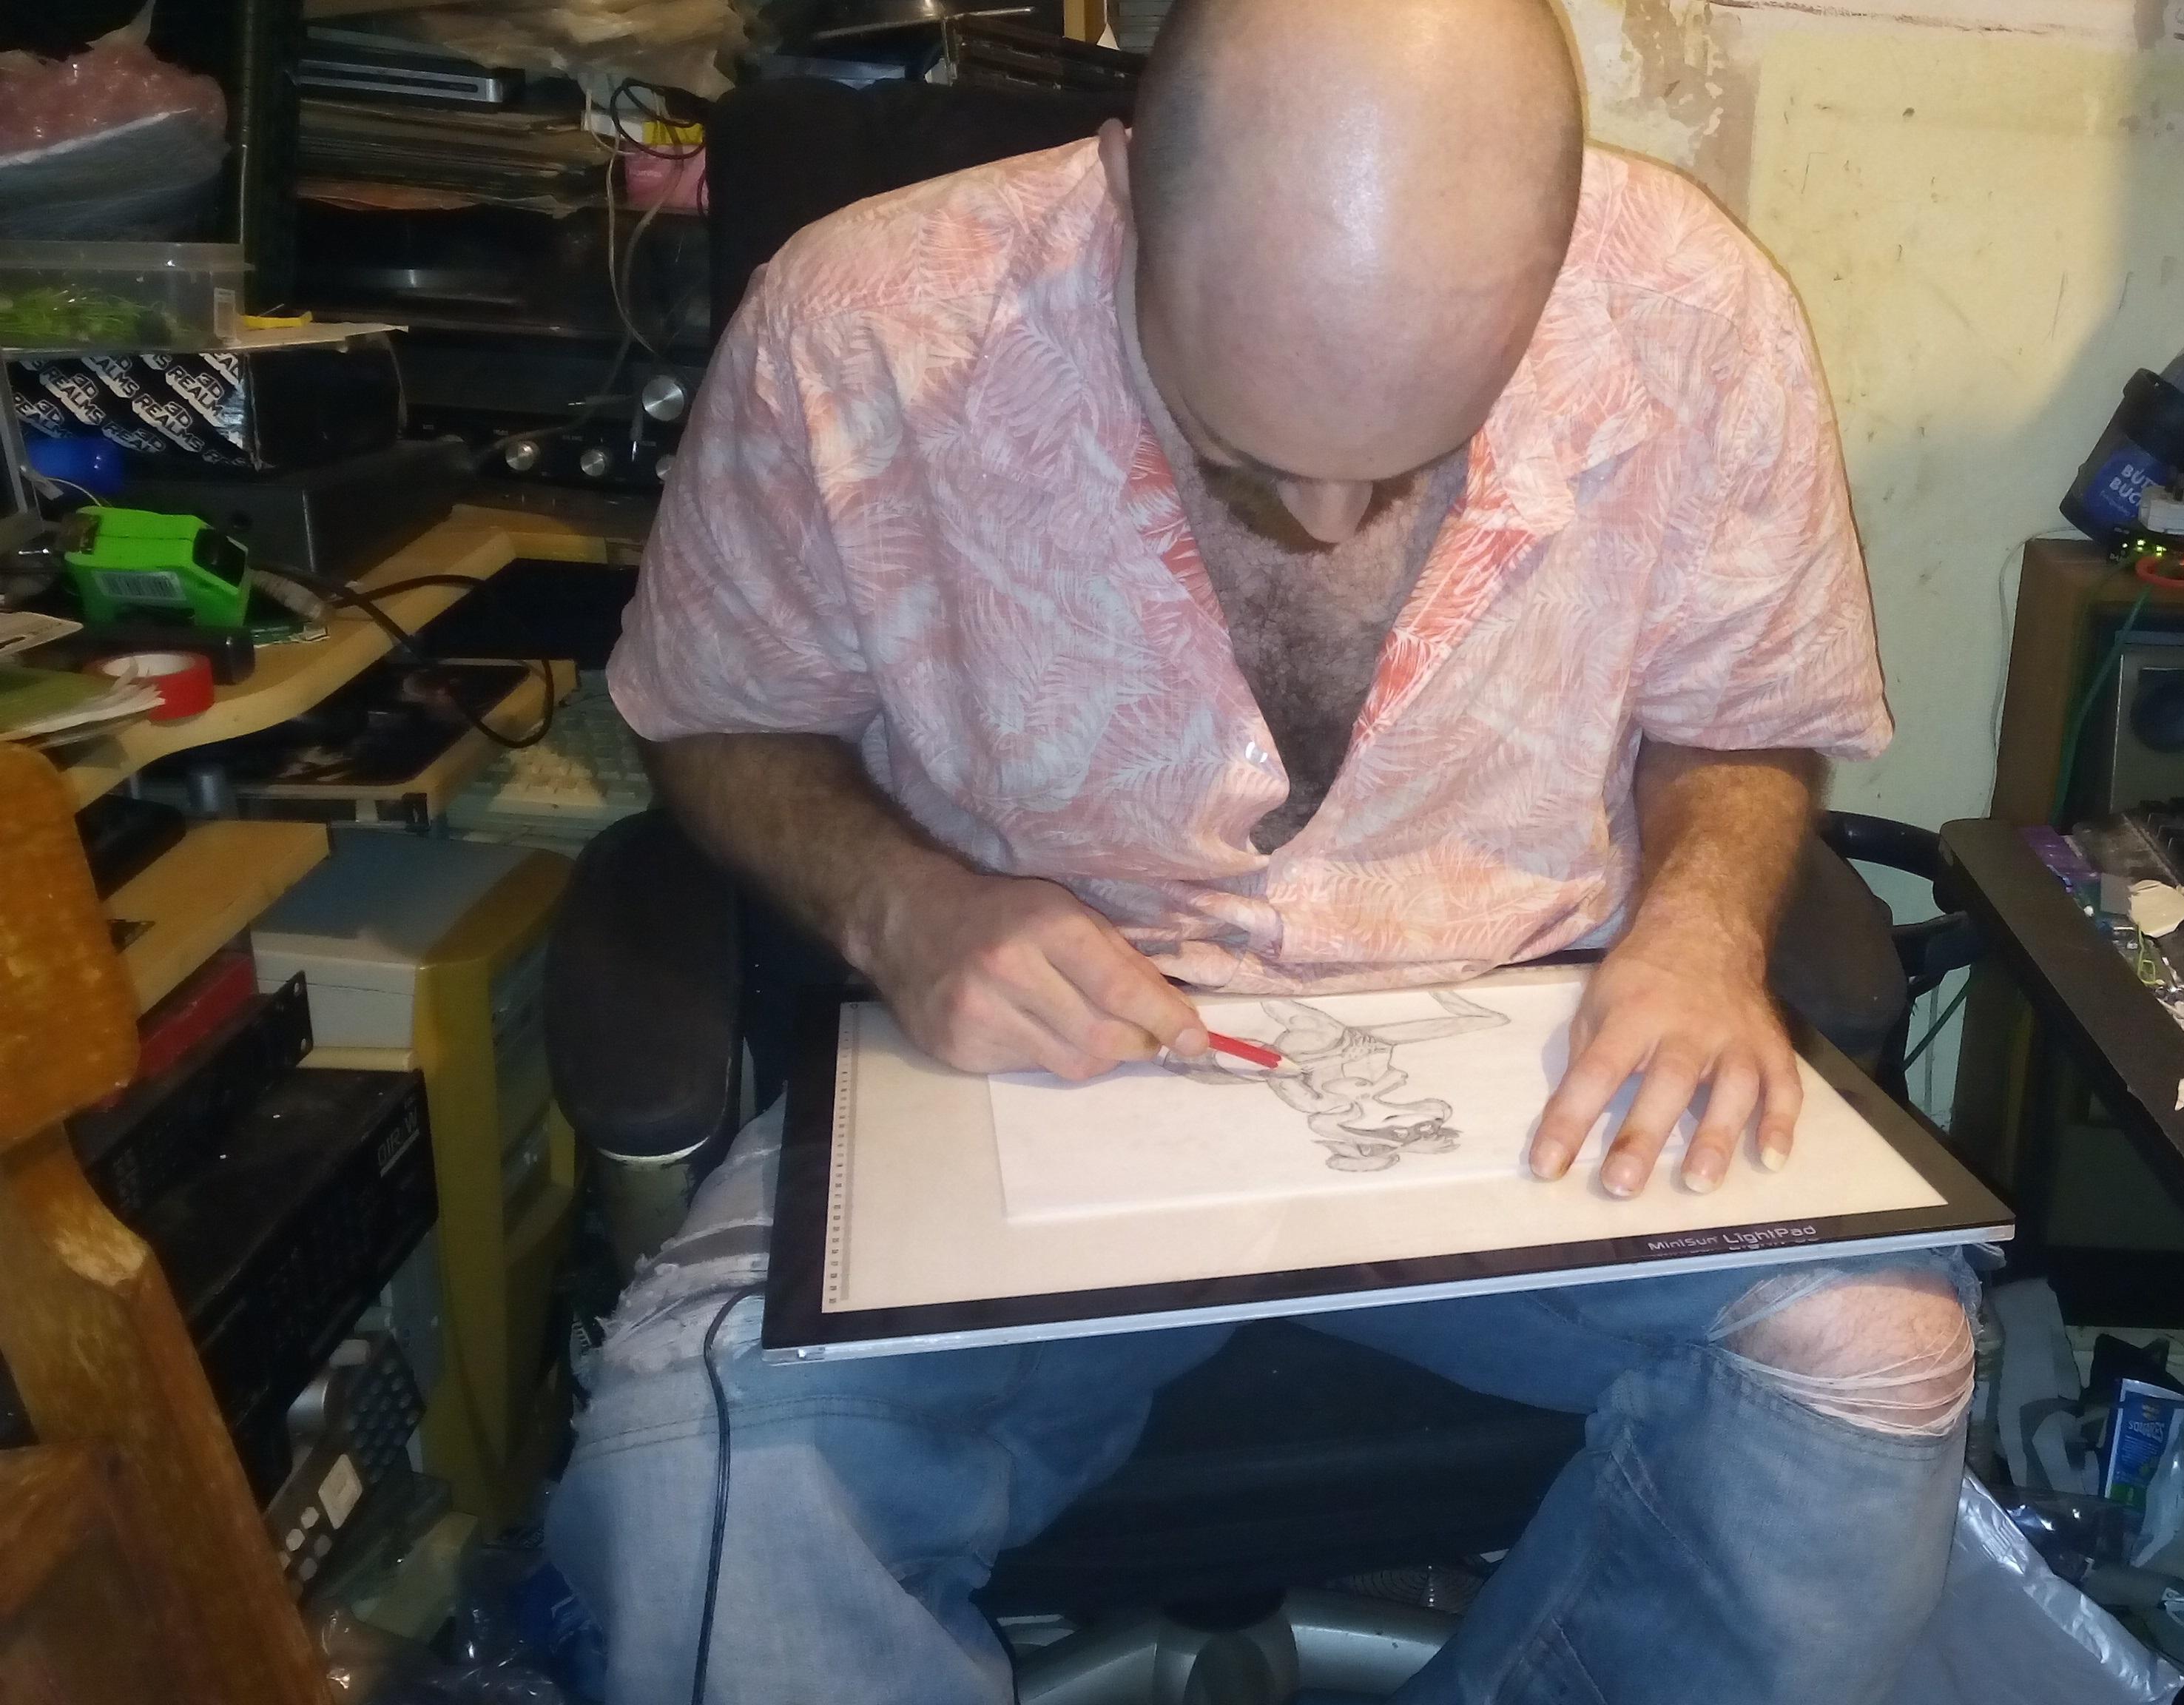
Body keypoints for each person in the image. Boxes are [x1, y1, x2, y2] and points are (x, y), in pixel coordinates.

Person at [544, 0, 1978, 1697]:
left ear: (1559, 248)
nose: (1325, 520)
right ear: (1126, 187)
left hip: (1514, 1057)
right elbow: (713, 712)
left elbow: (1737, 714)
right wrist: (901, 904)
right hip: (1046, 1070)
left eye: (1413, 459)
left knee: (1870, 1360)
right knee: (705, 1464)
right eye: (1242, 450)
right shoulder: (864, 325)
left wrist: (1702, 929)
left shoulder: (1688, 305)